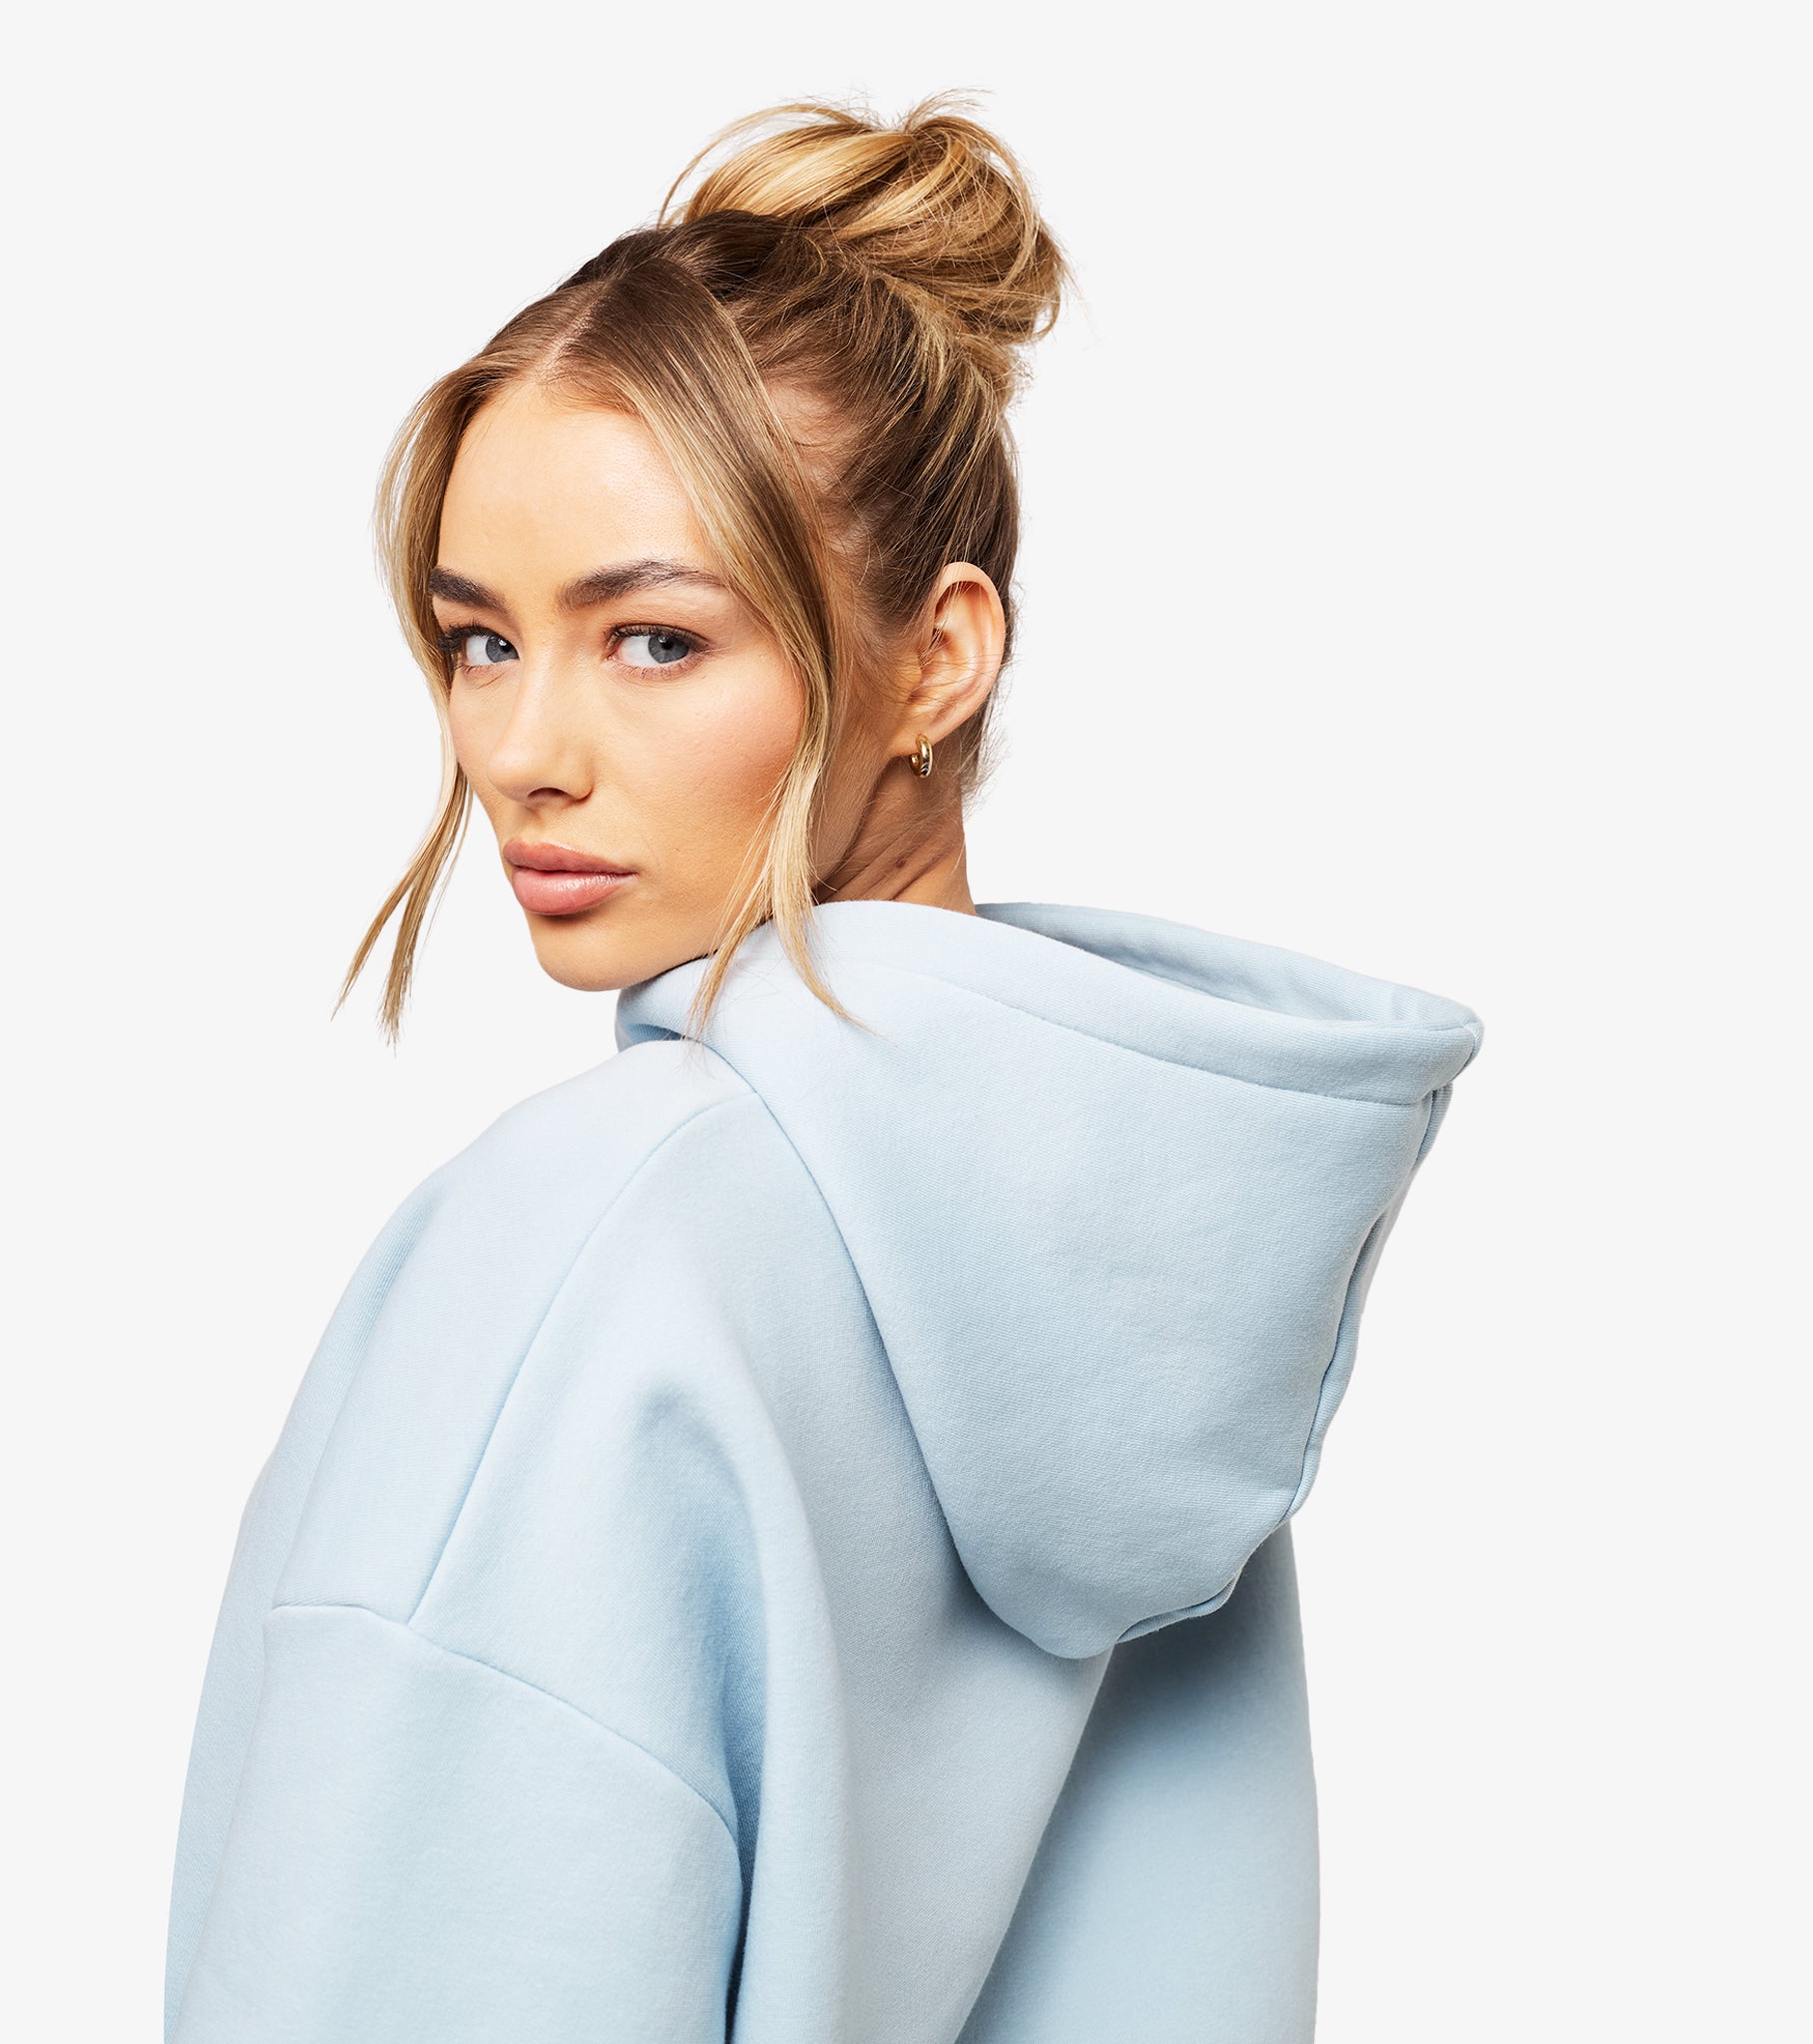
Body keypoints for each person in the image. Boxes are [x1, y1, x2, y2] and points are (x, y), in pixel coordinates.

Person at [164, 97, 1482, 2044]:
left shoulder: (594, 1241)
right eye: (479, 640)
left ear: (937, 657)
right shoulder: (1140, 1311)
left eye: (653, 640)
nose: (519, 751)